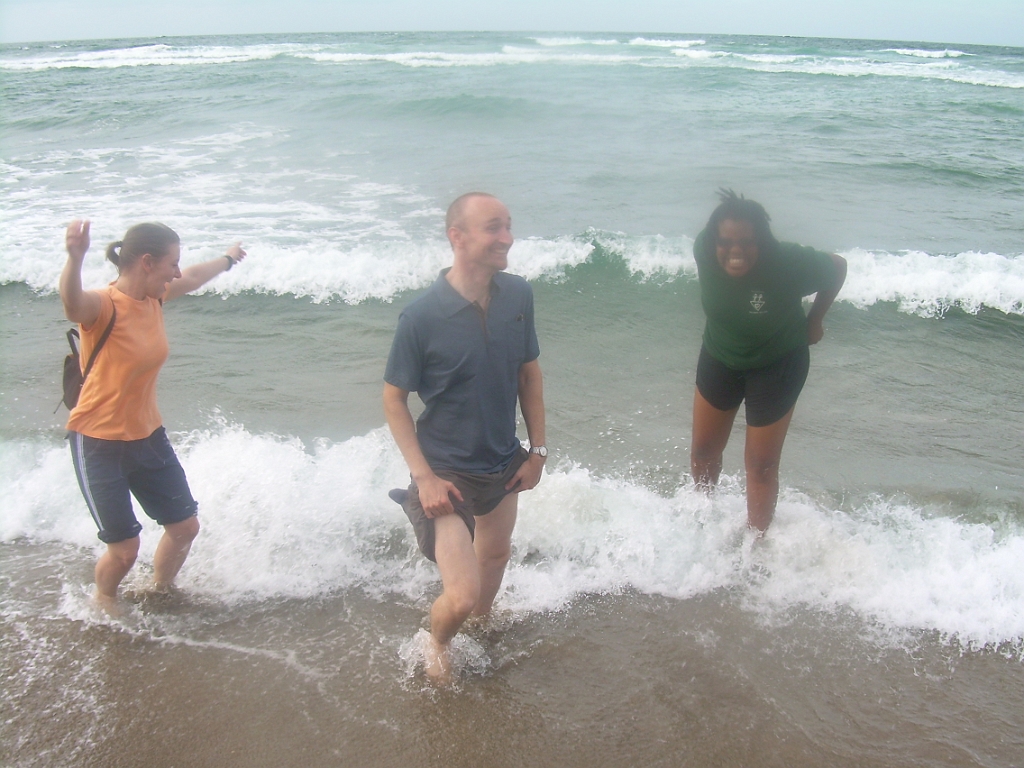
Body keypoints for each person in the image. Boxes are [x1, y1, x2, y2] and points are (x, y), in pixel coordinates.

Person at [383, 192, 546, 683]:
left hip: (502, 461)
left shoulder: (518, 295)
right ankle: (435, 642)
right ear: (458, 237)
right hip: (446, 475)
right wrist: (425, 478)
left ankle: (481, 628)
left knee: (496, 555)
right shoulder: (420, 317)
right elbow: (394, 401)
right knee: (461, 595)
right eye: (494, 227)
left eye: (509, 226)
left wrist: (537, 451)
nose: (508, 238)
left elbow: (529, 374)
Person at [60, 219, 246, 613]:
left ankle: (160, 588)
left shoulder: (156, 298)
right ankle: (103, 599)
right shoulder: (103, 304)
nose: (177, 271)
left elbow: (194, 277)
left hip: (147, 436)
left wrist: (229, 259)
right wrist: (74, 258)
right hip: (98, 442)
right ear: (147, 262)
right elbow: (72, 304)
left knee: (184, 527)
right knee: (125, 550)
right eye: (171, 263)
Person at [690, 190, 847, 532]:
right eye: (726, 242)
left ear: (762, 241)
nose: (735, 251)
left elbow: (837, 266)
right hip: (720, 355)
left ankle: (756, 550)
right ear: (713, 240)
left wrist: (815, 320)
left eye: (746, 242)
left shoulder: (787, 262)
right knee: (703, 452)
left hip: (777, 363)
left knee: (760, 466)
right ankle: (701, 523)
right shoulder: (704, 247)